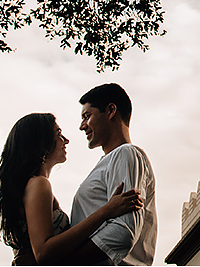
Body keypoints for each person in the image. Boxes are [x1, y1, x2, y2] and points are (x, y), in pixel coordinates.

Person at [0, 113, 143, 265]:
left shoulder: (30, 187)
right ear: (41, 142)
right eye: (58, 134)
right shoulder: (39, 184)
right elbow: (43, 253)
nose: (66, 140)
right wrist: (106, 211)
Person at [67, 83, 158, 265]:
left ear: (110, 111)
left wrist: (64, 260)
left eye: (87, 116)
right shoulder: (109, 161)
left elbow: (122, 232)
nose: (81, 126)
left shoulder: (126, 153)